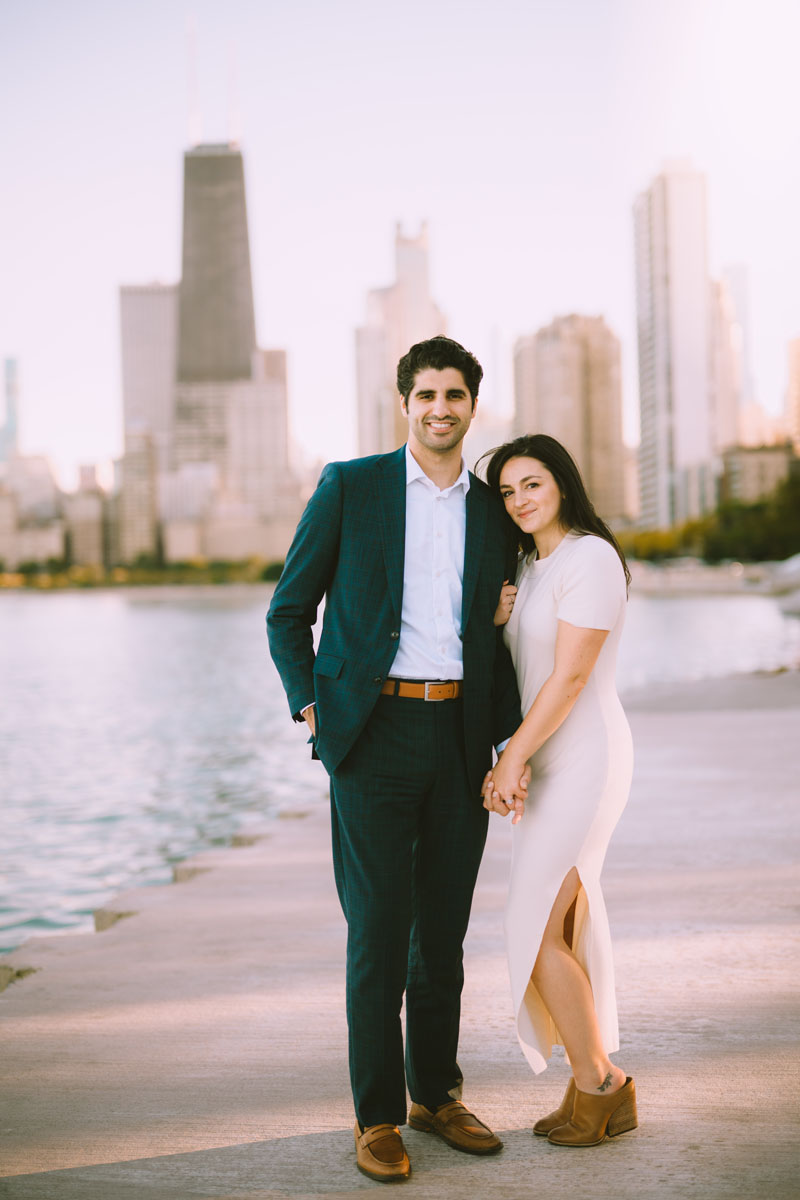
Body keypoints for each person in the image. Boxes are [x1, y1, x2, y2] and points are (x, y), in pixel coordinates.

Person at [267, 337, 528, 1183]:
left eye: (456, 395)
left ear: (473, 406)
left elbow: (502, 639)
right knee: (378, 935)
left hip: (459, 742)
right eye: (426, 395)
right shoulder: (352, 486)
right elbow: (287, 611)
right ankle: (376, 1115)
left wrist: (510, 748)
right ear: (404, 403)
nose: (441, 408)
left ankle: (434, 1094)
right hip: (371, 739)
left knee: (442, 937)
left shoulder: (494, 510)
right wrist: (313, 708)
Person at [482, 433, 638, 1148]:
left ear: (563, 486)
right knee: (562, 926)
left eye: (532, 484)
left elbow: (571, 677)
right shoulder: (528, 567)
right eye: (508, 491)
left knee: (538, 926)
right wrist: (497, 620)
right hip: (545, 759)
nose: (519, 500)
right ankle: (597, 1084)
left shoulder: (591, 558)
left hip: (584, 757)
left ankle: (600, 1085)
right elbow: (518, 668)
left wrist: (510, 759)